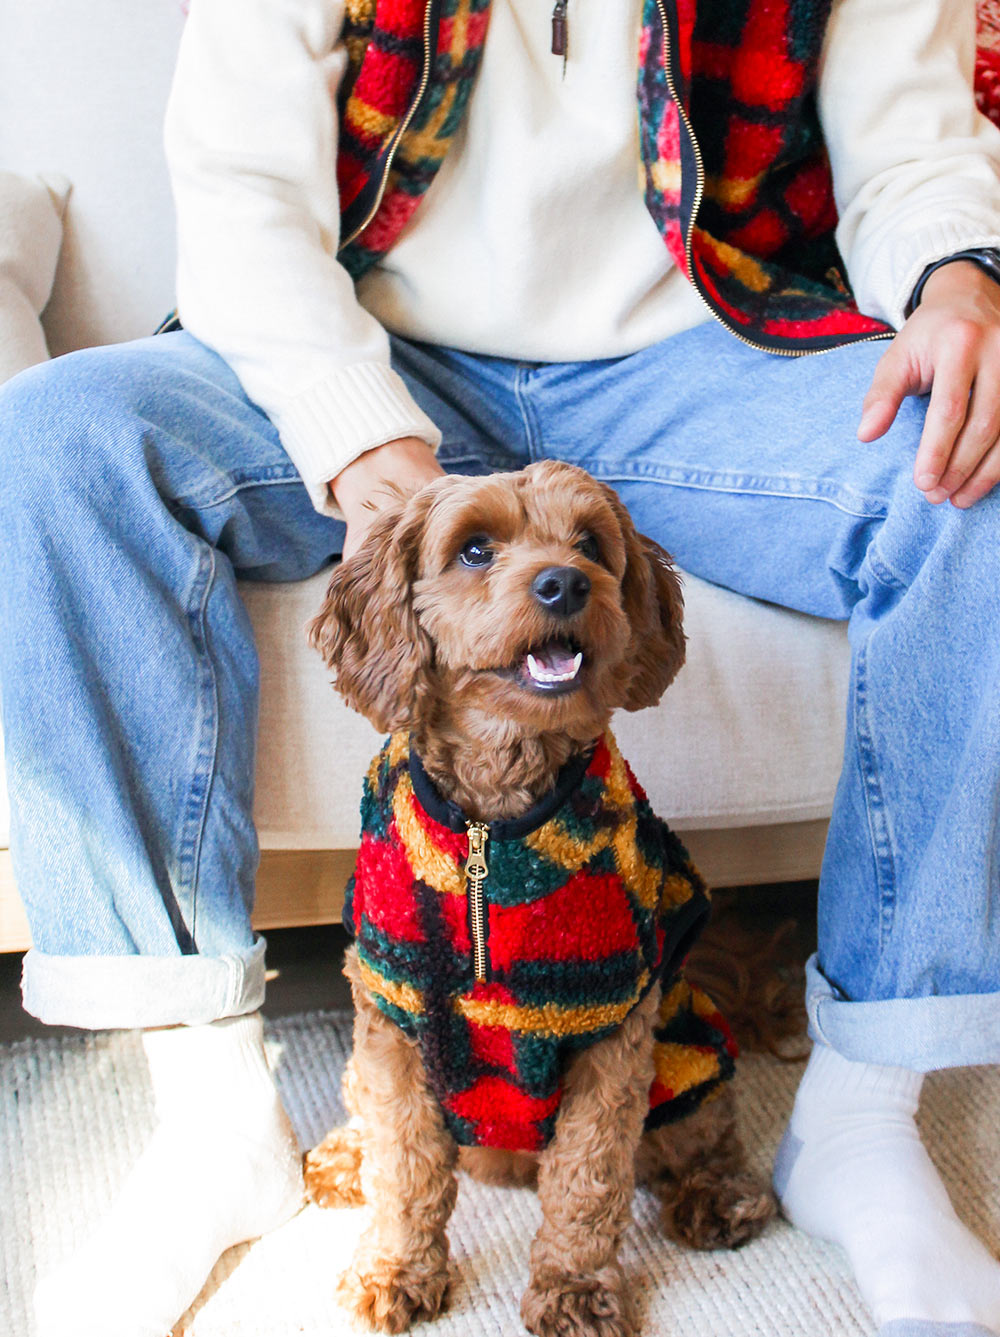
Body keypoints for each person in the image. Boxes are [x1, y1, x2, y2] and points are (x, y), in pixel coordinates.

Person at [1, 0, 999, 1333]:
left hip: (708, 351)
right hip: (383, 342)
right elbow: (244, 195)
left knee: (977, 478)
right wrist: (371, 446)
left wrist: (956, 279)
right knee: (58, 443)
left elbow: (913, 143)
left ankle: (866, 1115)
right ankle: (208, 1118)